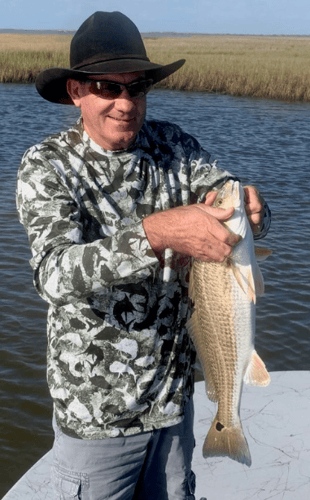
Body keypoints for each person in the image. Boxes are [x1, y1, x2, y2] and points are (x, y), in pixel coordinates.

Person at [16, 11, 270, 500]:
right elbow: (54, 273)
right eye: (107, 87)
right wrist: (155, 233)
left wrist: (256, 209)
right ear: (75, 92)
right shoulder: (47, 165)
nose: (125, 103)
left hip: (174, 406)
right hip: (98, 418)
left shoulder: (173, 145)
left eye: (136, 88)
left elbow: (228, 195)